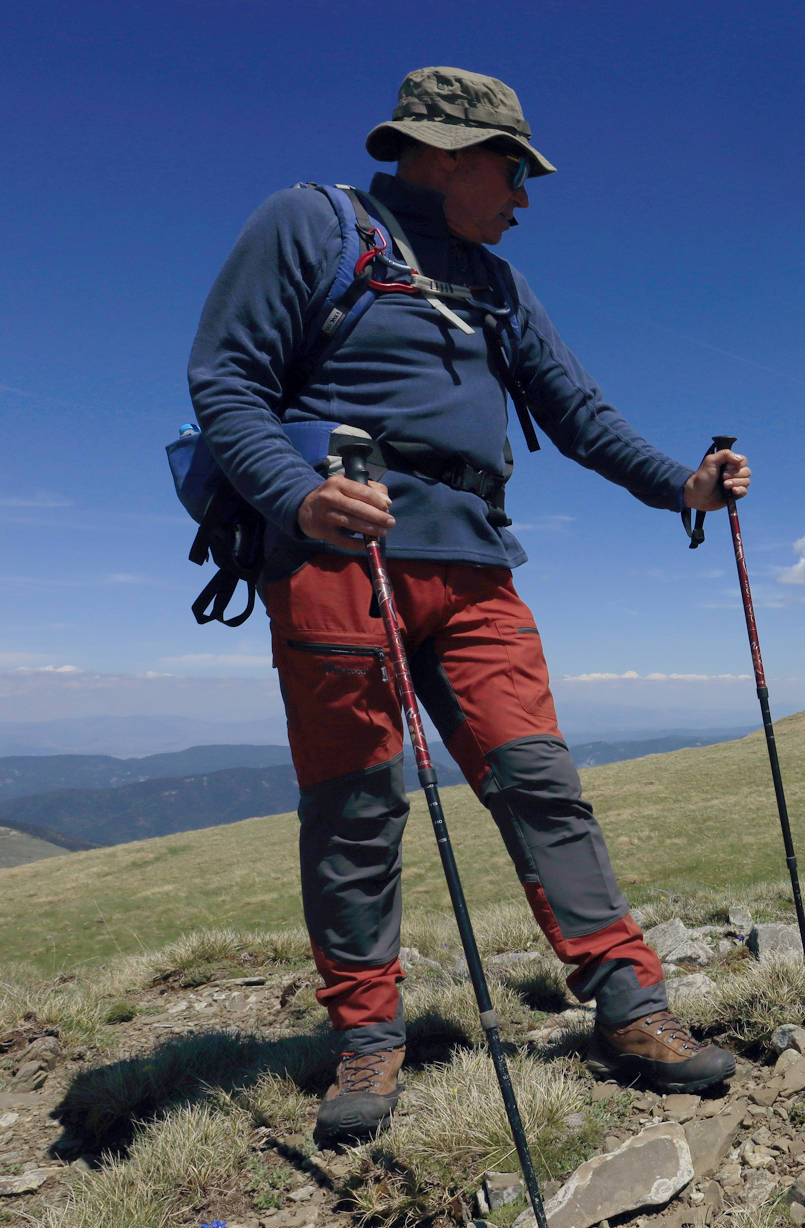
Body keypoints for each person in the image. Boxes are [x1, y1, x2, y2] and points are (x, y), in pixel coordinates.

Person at [188, 66, 744, 1146]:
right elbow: (226, 383)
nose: (524, 196)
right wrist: (301, 497)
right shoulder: (314, 224)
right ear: (443, 153)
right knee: (356, 802)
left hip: (476, 561)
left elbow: (577, 413)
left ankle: (629, 1003)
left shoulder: (495, 282)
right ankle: (367, 1034)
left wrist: (683, 482)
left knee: (540, 779)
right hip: (338, 558)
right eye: (512, 168)